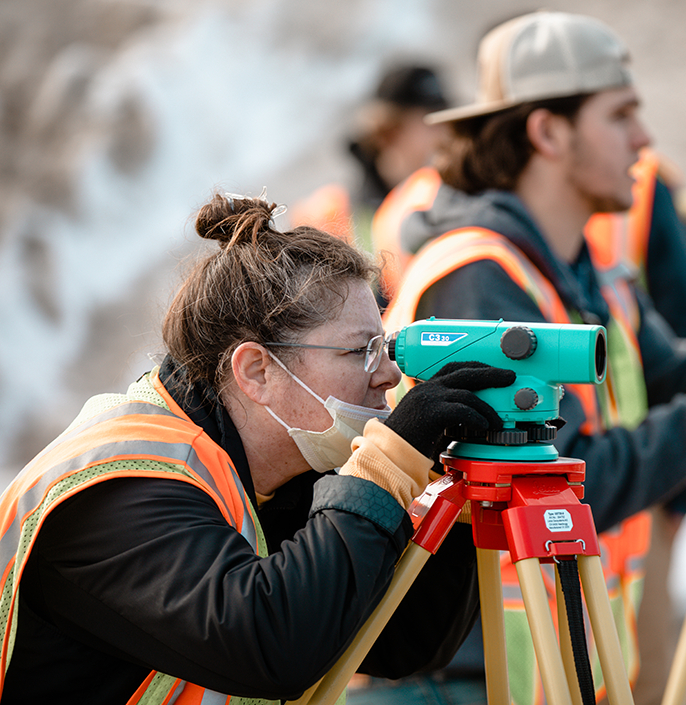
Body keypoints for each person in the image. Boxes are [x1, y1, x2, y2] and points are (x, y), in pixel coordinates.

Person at [379, 12, 686, 705]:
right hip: (470, 672)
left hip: (556, 652)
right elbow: (558, 480)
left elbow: (677, 375)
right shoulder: (479, 277)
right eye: (621, 114)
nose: (645, 138)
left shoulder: (580, 266)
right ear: (548, 131)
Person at [0, 191, 516, 704]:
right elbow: (270, 647)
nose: (387, 374)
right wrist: (381, 471)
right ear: (257, 372)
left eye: (384, 348)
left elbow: (403, 643)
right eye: (362, 351)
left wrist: (460, 488)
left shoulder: (270, 479)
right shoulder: (124, 484)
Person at [290, 63, 452, 261]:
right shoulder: (332, 215)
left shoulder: (446, 198)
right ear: (390, 130)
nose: (445, 132)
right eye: (430, 122)